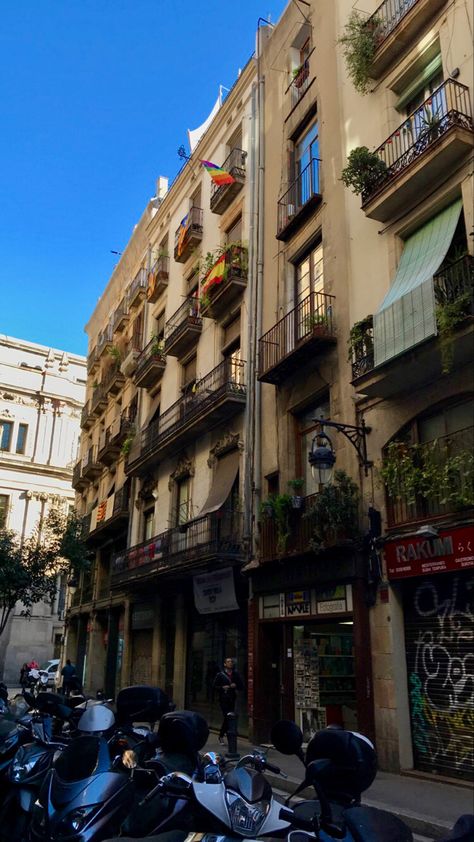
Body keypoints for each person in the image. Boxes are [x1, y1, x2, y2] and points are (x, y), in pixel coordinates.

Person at [213, 657, 244, 744]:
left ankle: (226, 734)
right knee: (227, 717)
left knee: (230, 717)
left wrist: (236, 685)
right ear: (225, 664)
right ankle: (223, 735)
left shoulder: (235, 675)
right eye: (228, 662)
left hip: (232, 698)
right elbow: (214, 686)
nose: (230, 663)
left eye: (231, 662)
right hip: (223, 699)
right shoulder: (220, 675)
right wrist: (222, 687)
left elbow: (241, 686)